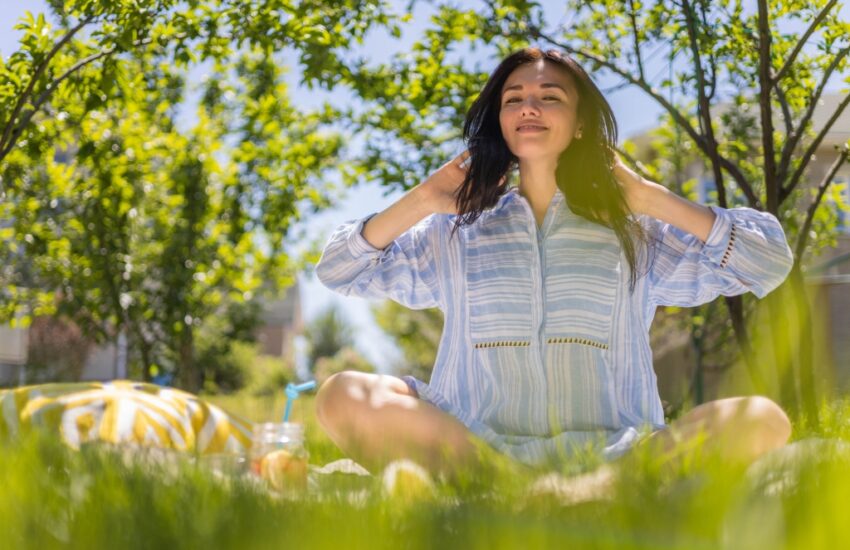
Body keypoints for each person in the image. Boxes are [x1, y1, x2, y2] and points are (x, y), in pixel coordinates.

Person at [312, 47, 794, 487]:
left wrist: (647, 196)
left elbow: (768, 260)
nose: (528, 107)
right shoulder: (455, 231)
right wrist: (421, 200)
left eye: (550, 96)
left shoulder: (635, 231)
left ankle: (593, 491)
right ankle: (513, 489)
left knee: (761, 417)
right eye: (514, 98)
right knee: (340, 395)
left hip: (614, 458)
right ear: (500, 122)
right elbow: (338, 269)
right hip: (478, 453)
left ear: (581, 123)